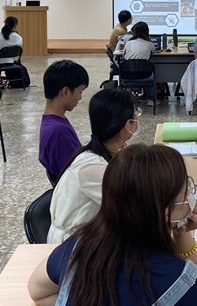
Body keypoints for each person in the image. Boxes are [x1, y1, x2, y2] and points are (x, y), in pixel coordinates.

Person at [29, 144, 197, 306]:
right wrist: (183, 235)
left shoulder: (79, 245)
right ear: (164, 212)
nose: (190, 193)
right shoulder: (187, 285)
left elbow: (37, 290)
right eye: (186, 189)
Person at [46, 88, 140, 243]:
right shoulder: (92, 168)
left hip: (85, 236)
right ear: (127, 125)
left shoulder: (97, 153)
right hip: (71, 245)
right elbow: (133, 210)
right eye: (135, 116)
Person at [40, 60, 90, 185]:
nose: (80, 97)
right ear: (66, 92)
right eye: (80, 91)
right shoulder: (59, 131)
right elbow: (76, 179)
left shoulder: (53, 121)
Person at [123, 21, 157, 107]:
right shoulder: (150, 44)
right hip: (145, 75)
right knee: (153, 72)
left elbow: (124, 56)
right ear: (147, 32)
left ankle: (127, 98)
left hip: (127, 75)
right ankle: (151, 100)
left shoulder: (128, 43)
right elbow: (154, 53)